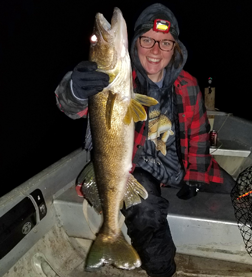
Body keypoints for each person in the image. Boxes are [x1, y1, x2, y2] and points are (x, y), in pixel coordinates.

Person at [55, 3, 235, 277]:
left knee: (241, 192)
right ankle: (159, 270)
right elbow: (72, 107)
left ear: (174, 48)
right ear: (134, 42)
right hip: (134, 167)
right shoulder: (110, 81)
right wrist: (74, 89)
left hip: (178, 168)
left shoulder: (187, 85)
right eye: (148, 40)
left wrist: (195, 176)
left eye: (165, 43)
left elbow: (198, 135)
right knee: (146, 211)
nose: (155, 50)